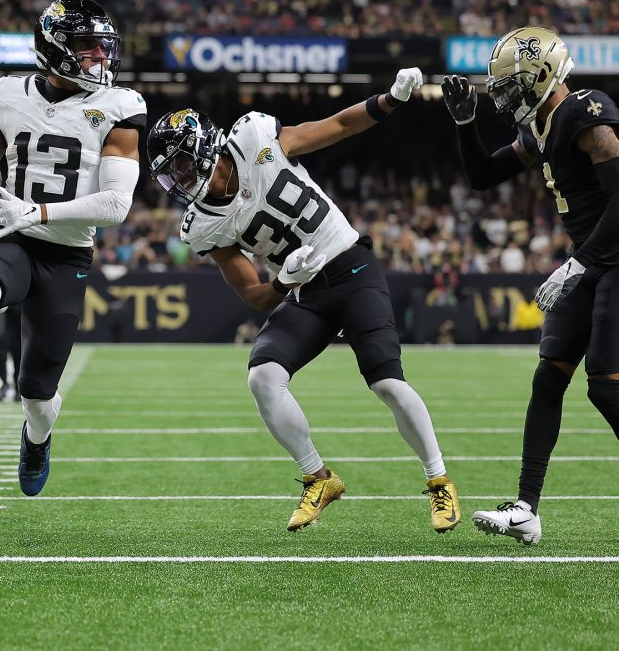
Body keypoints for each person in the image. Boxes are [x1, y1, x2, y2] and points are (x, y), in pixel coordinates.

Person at [147, 67, 461, 534]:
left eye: (180, 165)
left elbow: (336, 126)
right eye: (171, 174)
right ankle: (319, 478)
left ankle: (439, 481)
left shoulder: (255, 138)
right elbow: (254, 296)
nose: (179, 180)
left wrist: (389, 99)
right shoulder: (203, 224)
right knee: (263, 378)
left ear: (204, 147)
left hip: (351, 266)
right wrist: (284, 282)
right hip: (304, 289)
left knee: (387, 384)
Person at [0, 0, 146, 497]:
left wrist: (37, 211)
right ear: (55, 48)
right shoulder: (7, 94)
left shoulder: (120, 108)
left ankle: (37, 440)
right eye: (87, 47)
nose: (99, 57)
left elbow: (115, 205)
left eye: (102, 46)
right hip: (12, 236)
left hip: (66, 253)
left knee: (37, 396)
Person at [444, 27, 619, 545]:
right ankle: (526, 507)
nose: (504, 97)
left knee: (606, 384)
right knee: (549, 379)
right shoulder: (539, 127)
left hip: (612, 260)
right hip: (592, 261)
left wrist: (579, 264)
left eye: (510, 87)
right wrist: (465, 124)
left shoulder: (585, 113)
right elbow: (482, 175)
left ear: (542, 77)